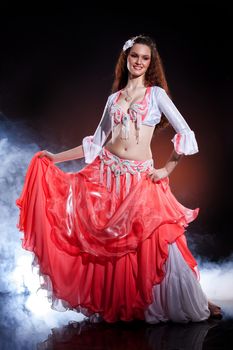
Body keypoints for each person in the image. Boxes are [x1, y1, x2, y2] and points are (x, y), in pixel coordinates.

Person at [16, 34, 222, 323]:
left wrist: (165, 170)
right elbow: (96, 142)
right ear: (126, 59)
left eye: (144, 58)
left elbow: (185, 133)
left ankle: (191, 298)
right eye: (134, 56)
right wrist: (54, 157)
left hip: (140, 180)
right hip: (108, 177)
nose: (138, 61)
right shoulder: (114, 99)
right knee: (111, 246)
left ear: (150, 63)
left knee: (155, 242)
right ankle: (123, 303)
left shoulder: (156, 95)